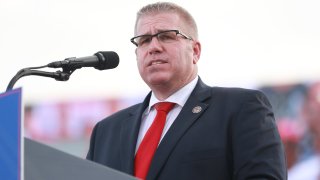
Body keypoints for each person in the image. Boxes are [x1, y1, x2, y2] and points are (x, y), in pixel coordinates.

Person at [86, 2, 287, 179]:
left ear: (195, 51)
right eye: (144, 40)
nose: (153, 47)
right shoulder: (106, 131)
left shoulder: (241, 108)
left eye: (166, 36)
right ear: (137, 53)